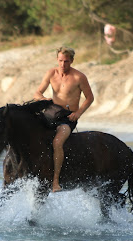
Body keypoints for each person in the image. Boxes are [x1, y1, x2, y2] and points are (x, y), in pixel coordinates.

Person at [34, 46, 94, 192]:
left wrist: (78, 113)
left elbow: (90, 98)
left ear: (72, 61)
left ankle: (55, 181)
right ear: (57, 59)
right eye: (60, 61)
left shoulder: (79, 77)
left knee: (57, 142)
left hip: (67, 118)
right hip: (52, 113)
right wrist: (43, 98)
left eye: (66, 61)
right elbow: (37, 92)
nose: (62, 64)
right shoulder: (51, 73)